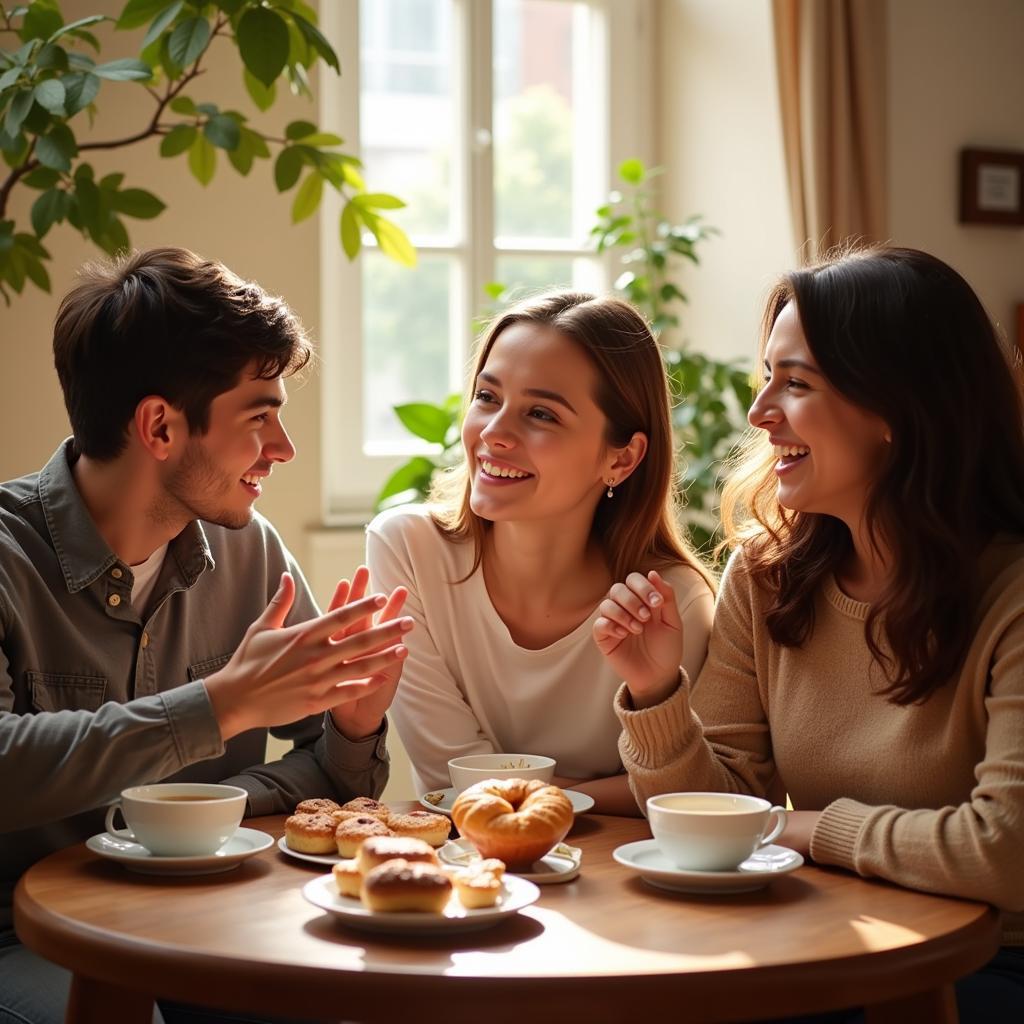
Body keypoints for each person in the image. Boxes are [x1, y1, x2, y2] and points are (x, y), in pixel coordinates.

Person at [597, 246, 1024, 1021]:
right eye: (767, 377)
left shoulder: (1013, 595)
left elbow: (1005, 852)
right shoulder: (766, 579)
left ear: (899, 406)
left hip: (993, 962)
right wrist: (657, 690)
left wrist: (804, 827)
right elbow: (726, 817)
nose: (760, 412)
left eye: (796, 383)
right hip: (832, 937)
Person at [0, 248, 413, 1024]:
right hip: (22, 938)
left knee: (362, 1003)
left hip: (208, 916)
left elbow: (335, 781)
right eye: (260, 417)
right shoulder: (6, 558)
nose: (284, 448)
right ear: (159, 425)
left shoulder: (248, 552)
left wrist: (353, 725)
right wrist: (219, 707)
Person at [368, 292, 714, 813]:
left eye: (541, 414)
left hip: (615, 879)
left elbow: (684, 795)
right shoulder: (407, 551)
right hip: (466, 874)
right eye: (487, 397)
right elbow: (454, 775)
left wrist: (652, 694)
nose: (493, 433)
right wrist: (597, 793)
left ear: (622, 458)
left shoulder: (671, 607)